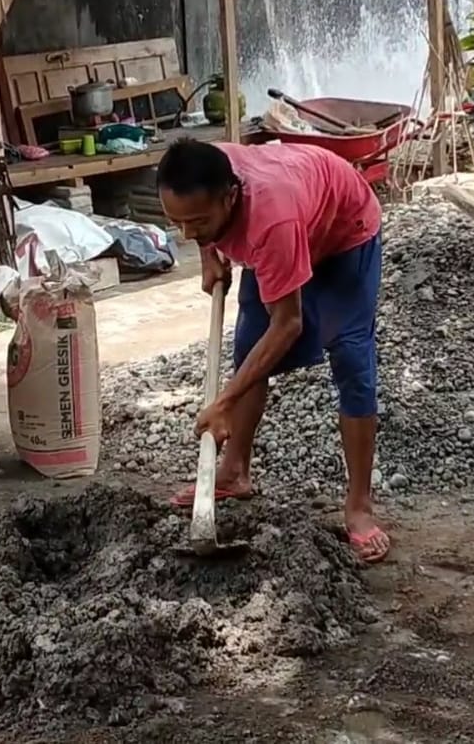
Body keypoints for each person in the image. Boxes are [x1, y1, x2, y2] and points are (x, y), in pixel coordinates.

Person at [157, 138, 389, 563]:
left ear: (230, 197)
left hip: (343, 232)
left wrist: (224, 402)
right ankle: (234, 471)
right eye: (177, 223)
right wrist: (208, 252)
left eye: (198, 223)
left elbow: (288, 324)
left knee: (351, 360)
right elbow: (198, 215)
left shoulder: (270, 220)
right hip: (292, 218)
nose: (186, 232)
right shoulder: (202, 166)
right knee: (249, 346)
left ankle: (359, 507)